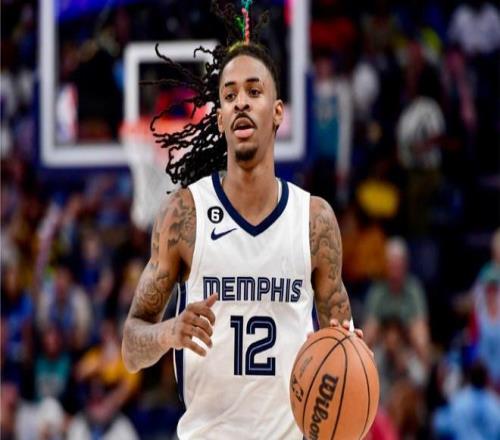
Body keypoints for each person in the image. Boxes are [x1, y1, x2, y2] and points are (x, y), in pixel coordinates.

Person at [122, 2, 362, 438]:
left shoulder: (314, 221)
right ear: (220, 119)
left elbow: (343, 349)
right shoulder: (184, 215)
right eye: (230, 95)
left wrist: (353, 356)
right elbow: (130, 346)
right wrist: (169, 332)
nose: (241, 103)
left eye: (254, 91)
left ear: (278, 112)